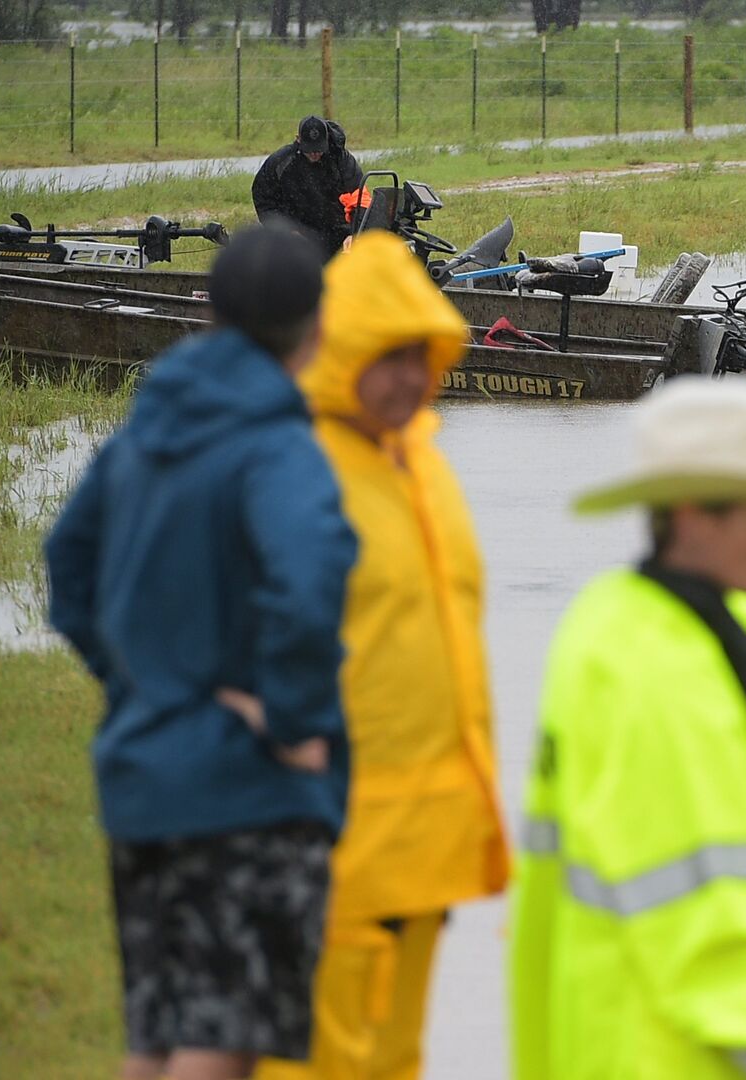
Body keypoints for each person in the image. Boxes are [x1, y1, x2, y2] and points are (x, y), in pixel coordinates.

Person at [44, 225, 358, 1080]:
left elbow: (66, 567)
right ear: (317, 328)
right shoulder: (279, 445)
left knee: (158, 1033)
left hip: (145, 779)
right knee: (224, 1036)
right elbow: (307, 580)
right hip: (243, 791)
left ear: (209, 313)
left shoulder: (148, 430)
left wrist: (142, 684)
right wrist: (289, 718)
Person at [509, 377, 746, 1080]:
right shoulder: (670, 688)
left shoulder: (606, 620)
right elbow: (715, 947)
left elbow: (741, 617)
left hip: (600, 1035)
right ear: (692, 517)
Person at [253, 233, 510, 1080]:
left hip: (428, 843)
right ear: (339, 352)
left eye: (421, 355)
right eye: (385, 356)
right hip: (334, 847)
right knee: (317, 1062)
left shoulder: (424, 465)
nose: (409, 377)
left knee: (395, 1061)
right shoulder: (296, 473)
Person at [253, 115, 365, 262]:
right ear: (298, 139)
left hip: (339, 232)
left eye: (319, 149)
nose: (314, 154)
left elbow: (359, 197)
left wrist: (355, 232)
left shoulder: (341, 160)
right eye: (310, 149)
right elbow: (264, 201)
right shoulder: (280, 162)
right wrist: (286, 231)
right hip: (299, 233)